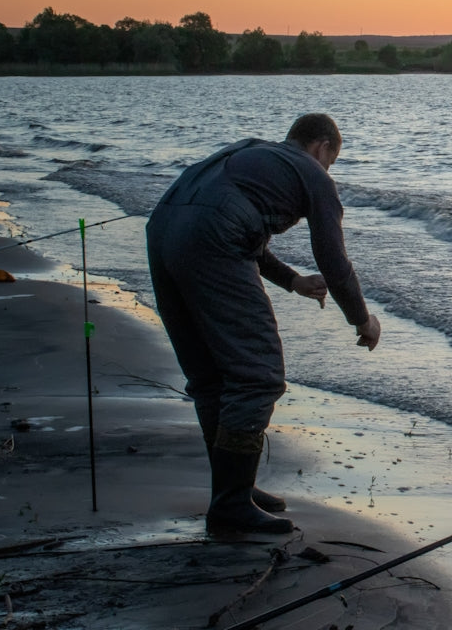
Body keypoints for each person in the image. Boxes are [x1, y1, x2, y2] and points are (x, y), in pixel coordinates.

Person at [146, 113, 381, 535]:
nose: (328, 170)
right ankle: (231, 505)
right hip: (211, 236)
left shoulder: (251, 153)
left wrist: (292, 281)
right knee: (257, 375)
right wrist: (362, 320)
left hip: (162, 229)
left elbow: (236, 226)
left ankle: (233, 490)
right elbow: (333, 260)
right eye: (331, 161)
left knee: (210, 377)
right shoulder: (314, 174)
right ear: (322, 147)